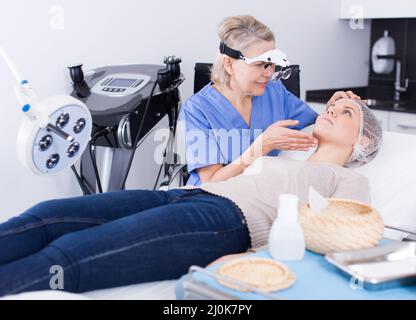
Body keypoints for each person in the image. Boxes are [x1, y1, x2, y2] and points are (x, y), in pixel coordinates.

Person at [0, 98, 382, 296]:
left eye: (345, 112)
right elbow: (222, 177)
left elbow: (341, 235)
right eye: (331, 106)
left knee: (70, 255)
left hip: (224, 222)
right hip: (184, 194)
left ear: (362, 141)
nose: (331, 109)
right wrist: (257, 151)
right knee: (46, 216)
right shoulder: (283, 157)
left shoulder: (345, 180)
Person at [180, 15, 362, 186]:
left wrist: (334, 109)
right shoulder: (197, 109)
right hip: (210, 201)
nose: (269, 73)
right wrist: (263, 145)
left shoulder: (274, 92)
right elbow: (211, 183)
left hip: (261, 196)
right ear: (229, 64)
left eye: (272, 63)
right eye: (260, 64)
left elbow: (316, 127)